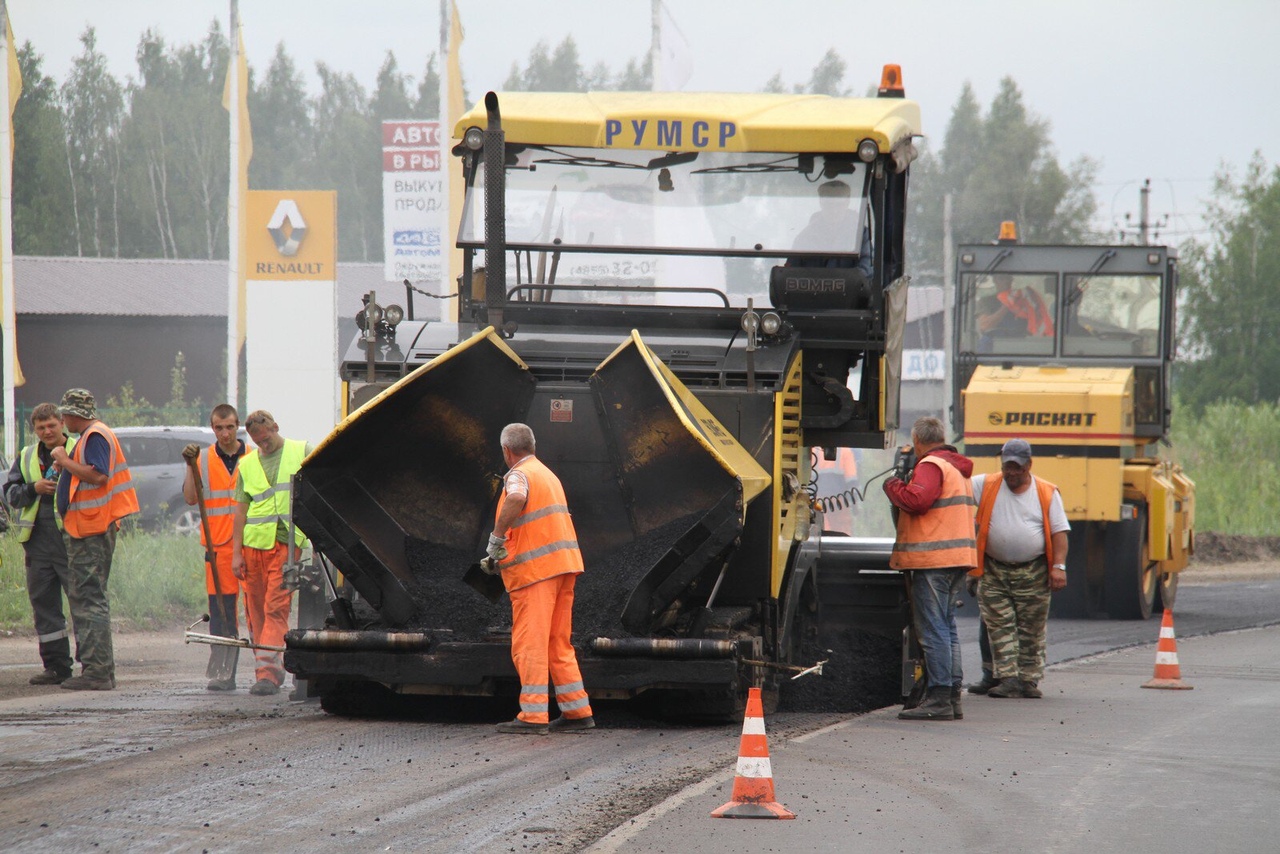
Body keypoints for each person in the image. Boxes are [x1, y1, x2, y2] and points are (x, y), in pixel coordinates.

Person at [484, 423, 594, 734]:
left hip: (536, 574)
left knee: (529, 643)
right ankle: (577, 712)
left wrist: (496, 539)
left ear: (507, 451)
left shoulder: (518, 475)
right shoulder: (548, 474)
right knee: (557, 642)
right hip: (564, 567)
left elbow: (516, 498)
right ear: (533, 445)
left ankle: (532, 717)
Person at [883, 415, 977, 721]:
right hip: (955, 558)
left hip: (933, 560)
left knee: (934, 629)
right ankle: (951, 697)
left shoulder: (931, 465)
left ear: (918, 440)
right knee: (947, 628)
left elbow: (918, 500)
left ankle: (939, 699)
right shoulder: (955, 467)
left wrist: (893, 484)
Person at [967, 439, 1069, 699]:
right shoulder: (986, 485)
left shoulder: (1046, 492)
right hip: (994, 570)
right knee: (999, 626)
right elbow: (956, 491)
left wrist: (1059, 567)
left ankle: (1028, 680)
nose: (1010, 472)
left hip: (1033, 571)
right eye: (1006, 467)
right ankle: (1008, 679)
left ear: (1028, 465)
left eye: (1016, 467)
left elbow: (1059, 533)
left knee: (1031, 627)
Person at [53, 388, 140, 691]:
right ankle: (98, 669)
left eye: (64, 413)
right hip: (88, 527)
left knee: (89, 599)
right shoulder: (91, 436)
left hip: (91, 530)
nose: (62, 419)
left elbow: (99, 476)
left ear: (74, 413)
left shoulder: (94, 436)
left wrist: (64, 460)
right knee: (89, 597)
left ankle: (98, 671)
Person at [231, 410, 310, 697]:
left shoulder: (301, 451)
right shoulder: (247, 464)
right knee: (255, 611)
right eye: (258, 441)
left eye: (267, 438)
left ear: (276, 427)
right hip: (254, 548)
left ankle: (267, 674)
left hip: (287, 545)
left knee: (276, 607)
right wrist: (235, 553)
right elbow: (240, 511)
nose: (263, 445)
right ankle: (267, 668)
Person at [4, 404, 77, 685]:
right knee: (44, 605)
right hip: (37, 542)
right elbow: (10, 494)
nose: (47, 431)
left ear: (62, 423)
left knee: (80, 603)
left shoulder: (78, 449)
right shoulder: (25, 457)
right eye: (41, 427)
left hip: (72, 539)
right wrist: (33, 488)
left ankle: (93, 665)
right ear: (34, 429)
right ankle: (57, 667)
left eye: (51, 425)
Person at [182, 404, 247, 691]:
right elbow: (190, 498)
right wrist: (189, 465)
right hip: (218, 546)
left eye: (230, 427)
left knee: (259, 612)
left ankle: (267, 674)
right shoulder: (203, 459)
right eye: (219, 428)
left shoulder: (254, 457)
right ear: (212, 428)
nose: (224, 433)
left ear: (237, 425)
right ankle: (224, 672)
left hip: (253, 542)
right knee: (222, 612)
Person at [786, 179, 874, 278]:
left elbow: (866, 268)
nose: (834, 210)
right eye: (829, 204)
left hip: (851, 293)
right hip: (812, 292)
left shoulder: (860, 234)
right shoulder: (805, 236)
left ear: (848, 202)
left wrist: (843, 283)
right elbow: (790, 275)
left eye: (839, 204)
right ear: (821, 203)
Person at [976, 273, 1055, 344]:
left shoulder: (1023, 299)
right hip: (994, 343)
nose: (1006, 282)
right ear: (995, 280)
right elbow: (985, 326)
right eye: (1002, 278)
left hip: (1021, 342)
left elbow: (1038, 322)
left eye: (1008, 278)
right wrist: (1007, 305)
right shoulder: (986, 301)